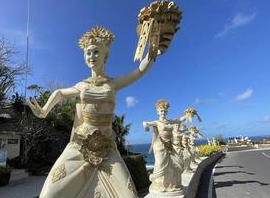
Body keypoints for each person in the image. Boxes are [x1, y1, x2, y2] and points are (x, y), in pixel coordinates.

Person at [27, 26, 174, 198]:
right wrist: (44, 110)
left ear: (105, 55)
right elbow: (59, 93)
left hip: (107, 148)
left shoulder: (112, 83)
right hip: (80, 145)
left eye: (96, 52)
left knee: (128, 195)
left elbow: (139, 71)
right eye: (88, 53)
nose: (91, 56)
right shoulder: (82, 85)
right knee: (50, 194)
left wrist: (153, 48)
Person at [142, 100, 195, 195]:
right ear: (158, 111)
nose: (163, 112)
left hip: (170, 145)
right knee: (161, 164)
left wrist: (188, 114)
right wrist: (146, 125)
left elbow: (180, 120)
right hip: (160, 145)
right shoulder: (157, 122)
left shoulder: (170, 121)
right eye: (161, 110)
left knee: (178, 163)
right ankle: (157, 183)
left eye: (165, 111)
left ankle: (171, 184)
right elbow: (146, 124)